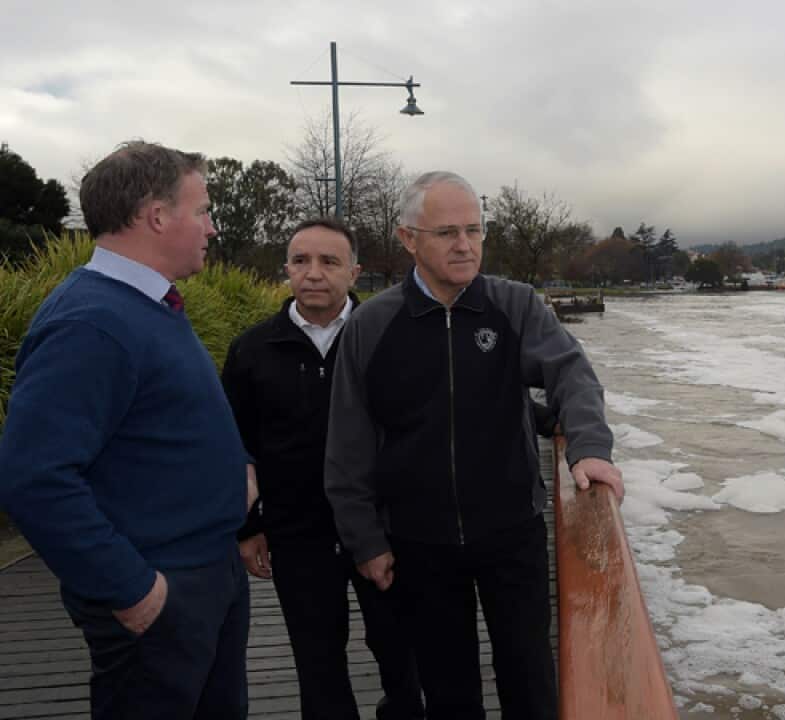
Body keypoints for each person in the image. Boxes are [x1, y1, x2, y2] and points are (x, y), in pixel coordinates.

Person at [325, 171, 624, 719]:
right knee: (449, 693)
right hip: (419, 541)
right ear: (408, 239)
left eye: (474, 230)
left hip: (512, 530)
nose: (465, 245)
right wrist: (364, 539)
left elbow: (571, 373)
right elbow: (348, 441)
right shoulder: (372, 325)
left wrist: (589, 447)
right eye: (447, 233)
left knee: (530, 682)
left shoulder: (514, 305)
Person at [0, 140, 256, 719]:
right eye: (202, 210)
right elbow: (33, 478)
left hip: (207, 574)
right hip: (160, 594)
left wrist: (236, 468)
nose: (212, 227)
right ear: (157, 216)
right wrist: (133, 592)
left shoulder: (149, 305)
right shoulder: (90, 323)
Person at [221, 217, 424, 720]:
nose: (313, 273)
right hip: (297, 534)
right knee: (318, 665)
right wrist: (248, 527)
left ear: (353, 271)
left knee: (401, 651)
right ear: (286, 269)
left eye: (329, 261)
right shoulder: (251, 350)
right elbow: (234, 446)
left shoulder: (392, 337)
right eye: (301, 260)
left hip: (384, 529)